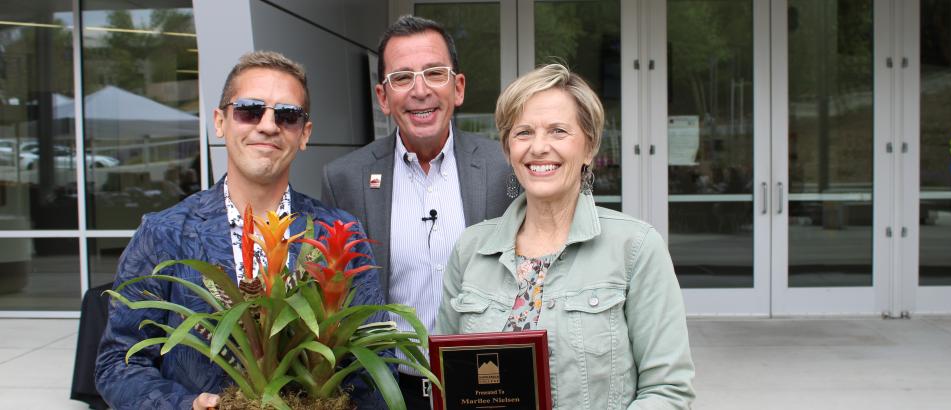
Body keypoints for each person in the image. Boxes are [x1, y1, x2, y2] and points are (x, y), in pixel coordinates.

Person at [95, 51, 383, 410]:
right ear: (220, 121)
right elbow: (118, 364)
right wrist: (185, 405)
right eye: (249, 110)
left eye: (287, 115)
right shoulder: (164, 233)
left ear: (304, 134)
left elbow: (376, 356)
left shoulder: (337, 231)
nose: (267, 125)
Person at [436, 64, 696, 409]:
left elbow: (668, 391)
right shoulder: (470, 250)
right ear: (507, 149)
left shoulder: (635, 248)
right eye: (523, 132)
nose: (539, 147)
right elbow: (444, 380)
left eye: (558, 131)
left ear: (589, 148)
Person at [321, 15, 512, 408]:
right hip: (389, 393)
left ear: (457, 87)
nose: (420, 91)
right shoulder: (344, 179)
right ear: (382, 97)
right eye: (402, 77)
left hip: (487, 384)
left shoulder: (505, 168)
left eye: (434, 73)